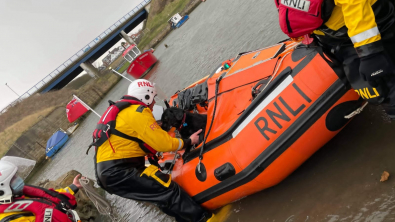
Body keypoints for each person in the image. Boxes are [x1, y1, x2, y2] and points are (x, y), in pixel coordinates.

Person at [91, 79, 215, 222]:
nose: (154, 103)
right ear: (146, 96)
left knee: (160, 195)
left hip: (110, 173)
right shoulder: (138, 111)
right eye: (153, 98)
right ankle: (204, 219)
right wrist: (188, 141)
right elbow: (163, 144)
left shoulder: (123, 112)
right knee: (168, 189)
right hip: (120, 171)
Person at [276, 0, 395, 118]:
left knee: (387, 87)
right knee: (378, 90)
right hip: (334, 38)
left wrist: (369, 51)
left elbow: (354, 2)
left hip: (368, 26)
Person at [0, 159, 82, 221]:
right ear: (2, 188)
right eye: (13, 178)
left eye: (16, 175)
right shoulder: (9, 218)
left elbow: (51, 197)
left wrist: (73, 187)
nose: (18, 179)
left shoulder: (19, 195)